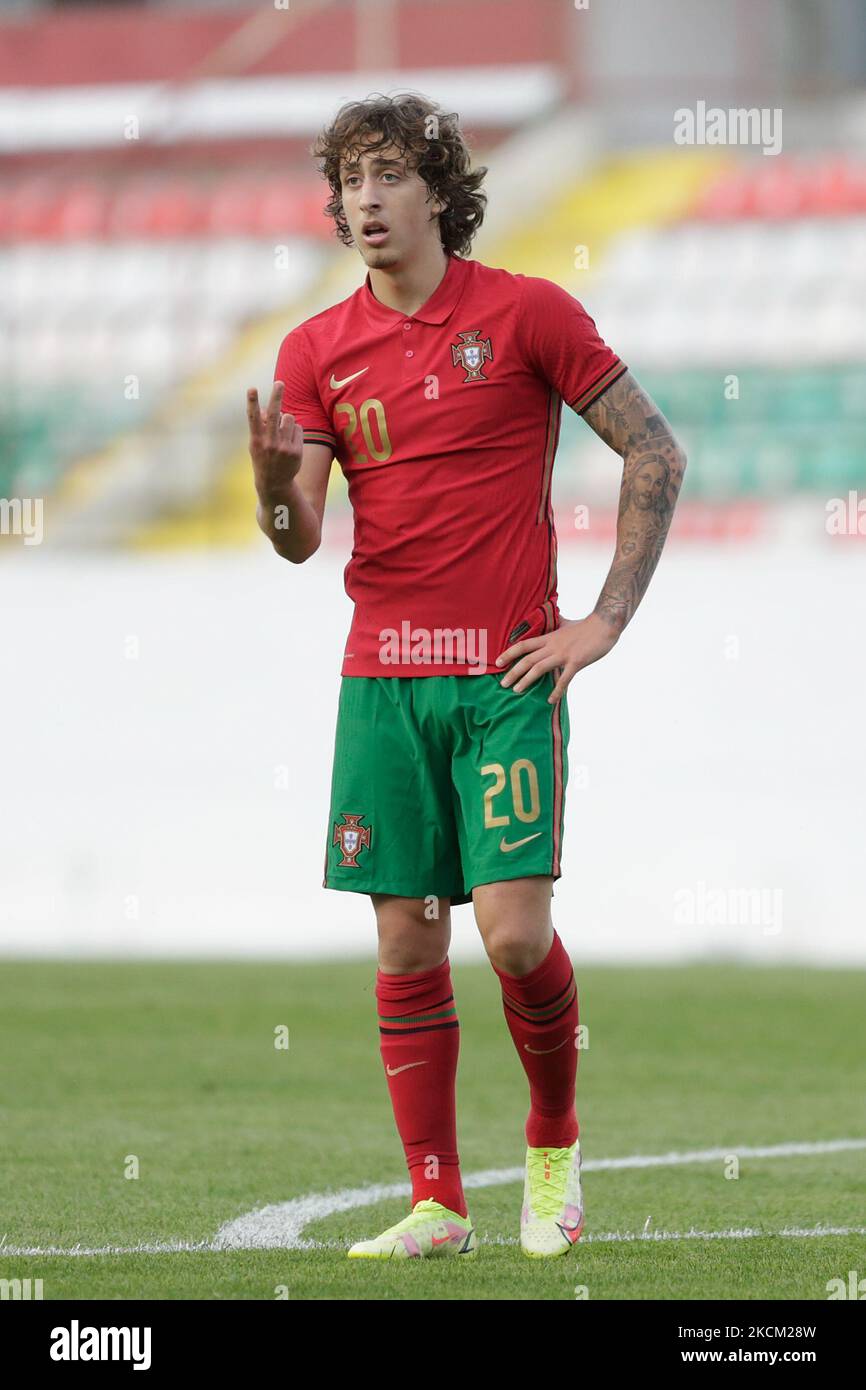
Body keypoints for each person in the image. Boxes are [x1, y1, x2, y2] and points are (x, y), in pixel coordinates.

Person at [246, 92, 687, 1261]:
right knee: (403, 941)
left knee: (509, 936)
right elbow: (299, 540)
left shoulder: (527, 313)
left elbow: (654, 446)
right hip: (382, 683)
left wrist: (600, 622)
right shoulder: (315, 351)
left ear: (438, 189)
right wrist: (271, 494)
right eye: (349, 180)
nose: (366, 198)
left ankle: (550, 1142)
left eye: (389, 174)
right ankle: (437, 1200)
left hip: (503, 680)